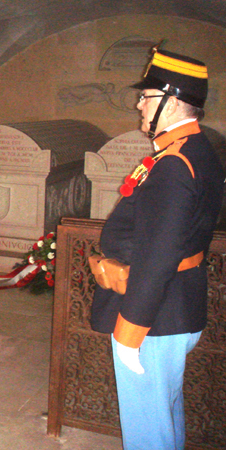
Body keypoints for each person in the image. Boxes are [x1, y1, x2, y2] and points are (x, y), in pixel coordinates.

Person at [90, 45, 225, 449]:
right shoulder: (197, 150)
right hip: (175, 305)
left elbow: (158, 255)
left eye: (147, 97)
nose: (139, 104)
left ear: (172, 102)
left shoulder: (174, 164)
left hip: (154, 315)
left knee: (147, 427)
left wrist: (130, 331)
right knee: (163, 412)